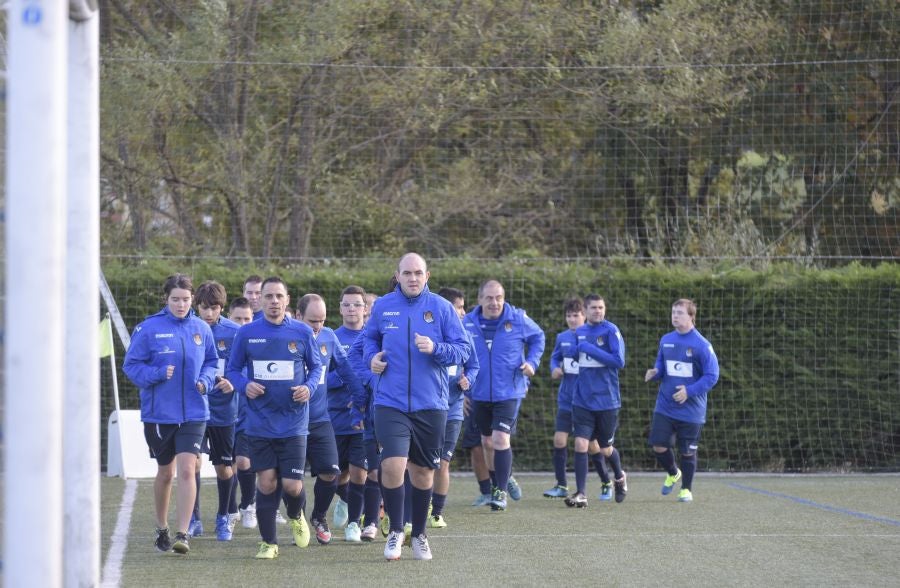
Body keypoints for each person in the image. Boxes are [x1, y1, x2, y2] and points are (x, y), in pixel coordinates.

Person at [361, 253, 470, 561]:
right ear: (397, 275)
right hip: (390, 403)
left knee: (423, 473)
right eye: (406, 273)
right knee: (392, 465)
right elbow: (368, 340)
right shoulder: (383, 306)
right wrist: (372, 359)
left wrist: (436, 349)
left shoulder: (442, 308)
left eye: (418, 273)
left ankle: (419, 533)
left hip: (431, 405)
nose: (412, 278)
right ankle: (396, 530)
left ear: (427, 275)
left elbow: (462, 350)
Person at [226, 277, 324, 559]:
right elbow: (232, 370)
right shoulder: (247, 333)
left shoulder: (302, 333)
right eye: (268, 296)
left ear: (287, 299)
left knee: (293, 486)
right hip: (259, 422)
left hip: (294, 423)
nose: (273, 301)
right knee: (267, 482)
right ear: (261, 300)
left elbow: (316, 368)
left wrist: (308, 387)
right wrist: (245, 385)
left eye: (278, 296)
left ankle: (296, 515)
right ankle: (269, 543)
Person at [123, 273, 219, 554]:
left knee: (188, 469)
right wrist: (156, 374)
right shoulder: (148, 329)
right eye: (175, 299)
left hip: (195, 412)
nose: (181, 304)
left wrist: (206, 380)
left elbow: (212, 362)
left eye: (186, 300)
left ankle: (183, 533)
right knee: (166, 473)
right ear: (166, 298)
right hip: (159, 415)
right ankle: (162, 528)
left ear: (193, 300)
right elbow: (131, 366)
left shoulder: (202, 328)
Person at [463, 280, 545, 511]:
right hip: (479, 392)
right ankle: (505, 476)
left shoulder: (517, 318)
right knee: (487, 442)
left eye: (499, 297)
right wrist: (461, 381)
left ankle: (499, 492)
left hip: (509, 391)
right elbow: (457, 351)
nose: (494, 302)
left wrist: (532, 362)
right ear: (479, 299)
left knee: (500, 439)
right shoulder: (467, 322)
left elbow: (539, 337)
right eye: (489, 298)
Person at [296, 292, 366, 544]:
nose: (317, 327)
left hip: (320, 419)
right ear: (297, 316)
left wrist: (360, 403)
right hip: (290, 422)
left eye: (322, 321)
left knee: (331, 472)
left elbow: (347, 371)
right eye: (312, 321)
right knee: (292, 479)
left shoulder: (328, 337)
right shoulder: (287, 338)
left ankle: (318, 516)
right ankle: (298, 519)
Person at [645, 298, 720, 502]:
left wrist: (689, 391)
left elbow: (712, 376)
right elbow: (662, 364)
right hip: (665, 406)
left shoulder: (702, 345)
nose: (675, 316)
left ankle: (686, 489)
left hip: (691, 410)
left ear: (691, 316)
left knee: (687, 451)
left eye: (680, 312)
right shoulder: (666, 339)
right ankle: (672, 472)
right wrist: (656, 372)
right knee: (659, 445)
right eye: (673, 312)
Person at [544, 298, 614, 500]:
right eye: (569, 316)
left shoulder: (591, 337)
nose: (572, 319)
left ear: (584, 316)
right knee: (559, 439)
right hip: (567, 398)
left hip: (586, 401)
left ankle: (606, 481)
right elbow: (555, 358)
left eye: (576, 315)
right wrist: (554, 368)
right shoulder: (562, 337)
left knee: (592, 446)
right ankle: (561, 485)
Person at [564, 294, 627, 508]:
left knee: (605, 448)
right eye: (593, 308)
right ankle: (581, 493)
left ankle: (619, 477)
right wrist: (573, 351)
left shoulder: (611, 331)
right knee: (581, 443)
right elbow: (575, 356)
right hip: (582, 400)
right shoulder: (579, 332)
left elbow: (618, 361)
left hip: (607, 401)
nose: (598, 311)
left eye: (601, 307)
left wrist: (590, 349)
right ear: (586, 311)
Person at [194, 281, 242, 541]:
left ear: (221, 307)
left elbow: (245, 366)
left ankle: (224, 516)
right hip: (194, 410)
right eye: (204, 308)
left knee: (224, 467)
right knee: (192, 464)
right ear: (197, 306)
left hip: (224, 412)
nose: (209, 313)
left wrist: (233, 382)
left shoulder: (235, 333)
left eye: (214, 308)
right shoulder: (190, 329)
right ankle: (194, 518)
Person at [326, 286, 373, 541]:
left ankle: (354, 523)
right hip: (334, 417)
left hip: (362, 418)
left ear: (365, 309)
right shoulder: (331, 337)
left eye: (357, 304)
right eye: (347, 304)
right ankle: (344, 499)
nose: (352, 309)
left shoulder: (373, 338)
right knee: (334, 474)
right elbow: (323, 377)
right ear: (340, 308)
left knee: (359, 472)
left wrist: (360, 395)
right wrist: (347, 377)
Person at [431, 287, 480, 527]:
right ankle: (416, 504)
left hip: (453, 409)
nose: (463, 312)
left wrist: (468, 379)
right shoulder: (429, 335)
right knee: (420, 462)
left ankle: (436, 511)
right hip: (427, 409)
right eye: (459, 307)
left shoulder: (465, 337)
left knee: (443, 462)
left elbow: (474, 366)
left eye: (463, 307)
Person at [227, 296, 259, 529]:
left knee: (244, 461)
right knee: (226, 466)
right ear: (229, 318)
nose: (242, 323)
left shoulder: (257, 343)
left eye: (246, 319)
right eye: (237, 318)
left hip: (249, 416)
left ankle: (248, 505)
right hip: (223, 416)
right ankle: (228, 509)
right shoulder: (221, 340)